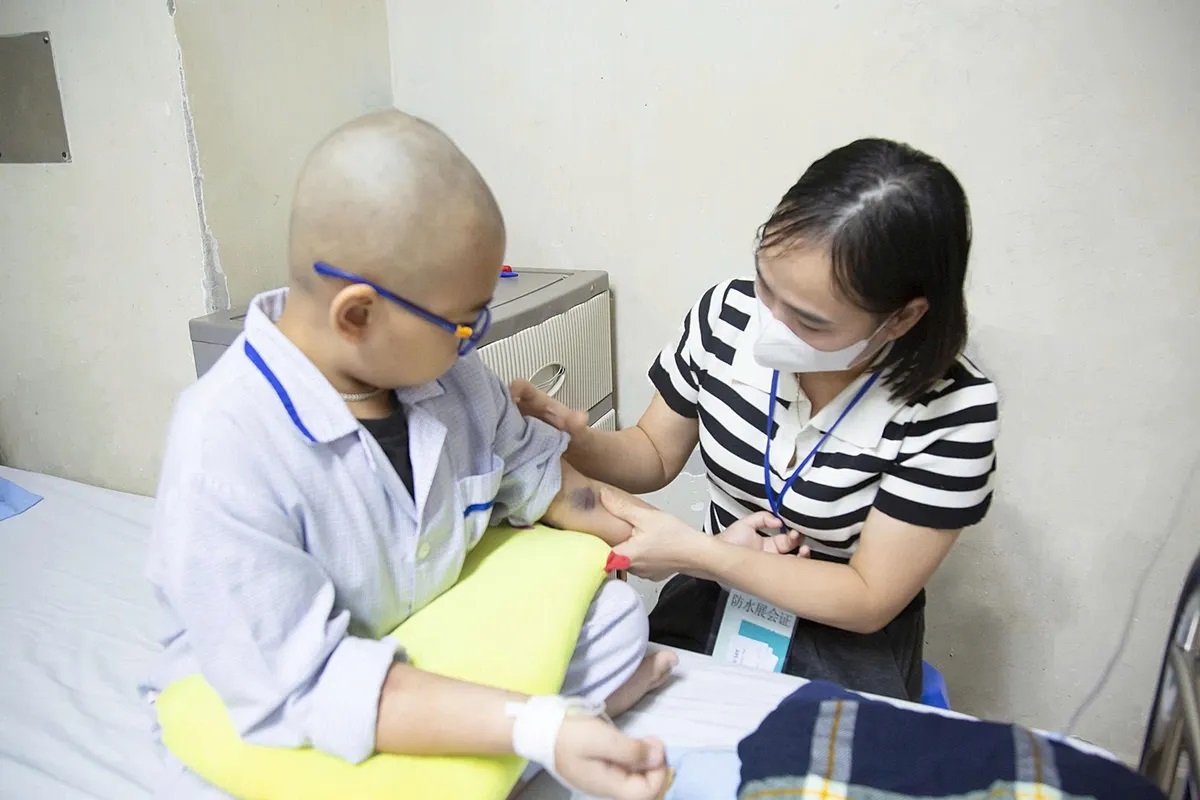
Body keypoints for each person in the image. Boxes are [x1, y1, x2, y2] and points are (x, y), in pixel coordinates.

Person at [142, 110, 676, 800]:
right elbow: (306, 683)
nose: (474, 340)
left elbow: (548, 482)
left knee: (613, 618)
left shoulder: (450, 378)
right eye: (464, 322)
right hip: (286, 695)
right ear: (357, 315)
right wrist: (540, 726)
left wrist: (699, 550)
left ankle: (498, 747)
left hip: (414, 633)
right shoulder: (225, 446)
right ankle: (532, 742)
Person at [513, 138, 999, 702]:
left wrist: (699, 553)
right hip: (712, 598)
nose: (770, 324)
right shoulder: (725, 317)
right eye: (766, 286)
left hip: (842, 634)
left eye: (810, 322)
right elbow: (652, 453)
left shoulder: (953, 410)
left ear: (901, 318)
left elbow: (868, 598)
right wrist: (574, 437)